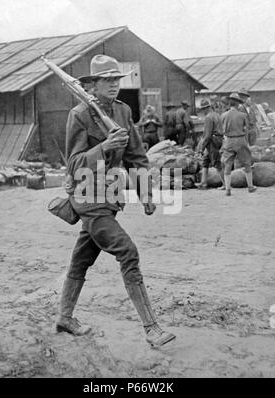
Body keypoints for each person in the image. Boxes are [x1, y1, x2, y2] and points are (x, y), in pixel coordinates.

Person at [56, 54, 175, 347]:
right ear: (92, 85)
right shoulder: (80, 114)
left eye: (116, 80)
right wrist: (104, 147)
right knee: (128, 253)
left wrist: (146, 193)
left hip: (108, 199)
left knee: (81, 261)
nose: (113, 85)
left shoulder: (122, 112)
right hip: (88, 198)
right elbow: (73, 165)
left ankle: (64, 317)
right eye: (106, 80)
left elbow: (136, 156)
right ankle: (152, 329)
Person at [221, 93, 257, 196]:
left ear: (229, 103)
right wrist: (246, 143)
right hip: (240, 140)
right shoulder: (243, 115)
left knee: (227, 165)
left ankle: (228, 189)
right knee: (246, 163)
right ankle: (250, 186)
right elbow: (245, 131)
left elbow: (222, 131)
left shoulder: (223, 115)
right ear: (238, 104)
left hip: (228, 141)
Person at [196, 99, 225, 190]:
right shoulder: (217, 115)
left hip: (213, 141)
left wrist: (201, 147)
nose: (202, 111)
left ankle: (226, 184)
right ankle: (203, 183)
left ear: (206, 108)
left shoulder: (208, 117)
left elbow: (207, 135)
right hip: (218, 139)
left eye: (203, 109)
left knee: (217, 163)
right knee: (205, 161)